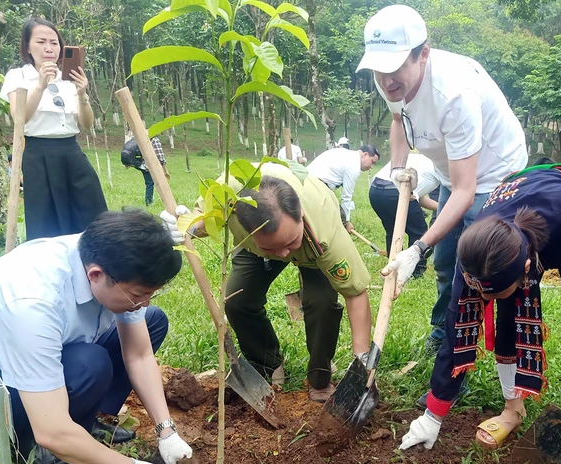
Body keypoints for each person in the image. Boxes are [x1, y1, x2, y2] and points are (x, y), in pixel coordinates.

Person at [398, 149, 561, 451]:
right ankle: (513, 410)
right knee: (508, 318)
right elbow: (454, 335)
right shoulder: (475, 255)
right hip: (517, 202)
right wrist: (432, 417)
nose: (484, 298)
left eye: (493, 293)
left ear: (527, 269)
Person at [0, 210, 195, 464]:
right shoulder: (31, 302)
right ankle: (42, 450)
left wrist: (166, 431)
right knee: (89, 365)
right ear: (96, 275)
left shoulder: (111, 257)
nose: (143, 302)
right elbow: (51, 431)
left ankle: (82, 424)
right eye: (138, 294)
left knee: (151, 320)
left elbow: (138, 355)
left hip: (46, 358)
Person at [356, 5, 528, 355]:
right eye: (378, 69)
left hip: (494, 177)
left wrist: (417, 249)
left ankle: (456, 353)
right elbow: (397, 121)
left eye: (394, 68)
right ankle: (441, 333)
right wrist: (397, 170)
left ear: (423, 55)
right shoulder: (387, 80)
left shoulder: (454, 94)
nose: (386, 80)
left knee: (470, 270)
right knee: (445, 261)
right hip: (454, 171)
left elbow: (466, 192)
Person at [178, 163, 372, 402]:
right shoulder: (227, 195)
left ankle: (320, 378)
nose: (283, 254)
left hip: (312, 249)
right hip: (255, 250)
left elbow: (355, 294)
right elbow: (201, 222)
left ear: (300, 216)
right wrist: (183, 228)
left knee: (322, 305)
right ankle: (267, 363)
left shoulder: (326, 234)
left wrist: (362, 361)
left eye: (289, 243)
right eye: (273, 247)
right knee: (238, 299)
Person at [0, 18, 107, 241]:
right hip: (38, 156)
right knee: (46, 224)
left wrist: (82, 94)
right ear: (27, 47)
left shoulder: (69, 78)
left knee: (92, 216)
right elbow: (20, 119)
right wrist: (40, 84)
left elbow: (86, 124)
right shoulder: (17, 76)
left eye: (54, 42)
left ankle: (93, 265)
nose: (49, 48)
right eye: (41, 41)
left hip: (72, 152)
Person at [369, 153, 440, 277]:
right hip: (396, 190)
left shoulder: (419, 160)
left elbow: (419, 197)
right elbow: (411, 195)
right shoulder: (439, 166)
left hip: (375, 191)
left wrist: (444, 209)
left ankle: (393, 266)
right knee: (419, 232)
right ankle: (416, 271)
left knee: (392, 230)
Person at [307, 144, 380, 232]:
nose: (371, 166)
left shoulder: (347, 154)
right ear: (364, 155)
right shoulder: (354, 166)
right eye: (372, 161)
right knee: (333, 216)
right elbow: (346, 197)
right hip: (315, 185)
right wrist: (346, 222)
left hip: (307, 180)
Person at [120, 134, 171, 206]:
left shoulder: (141, 136)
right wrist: (165, 170)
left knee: (150, 182)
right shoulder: (155, 140)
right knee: (151, 183)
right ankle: (150, 202)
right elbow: (160, 156)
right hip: (146, 165)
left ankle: (151, 200)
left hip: (139, 163)